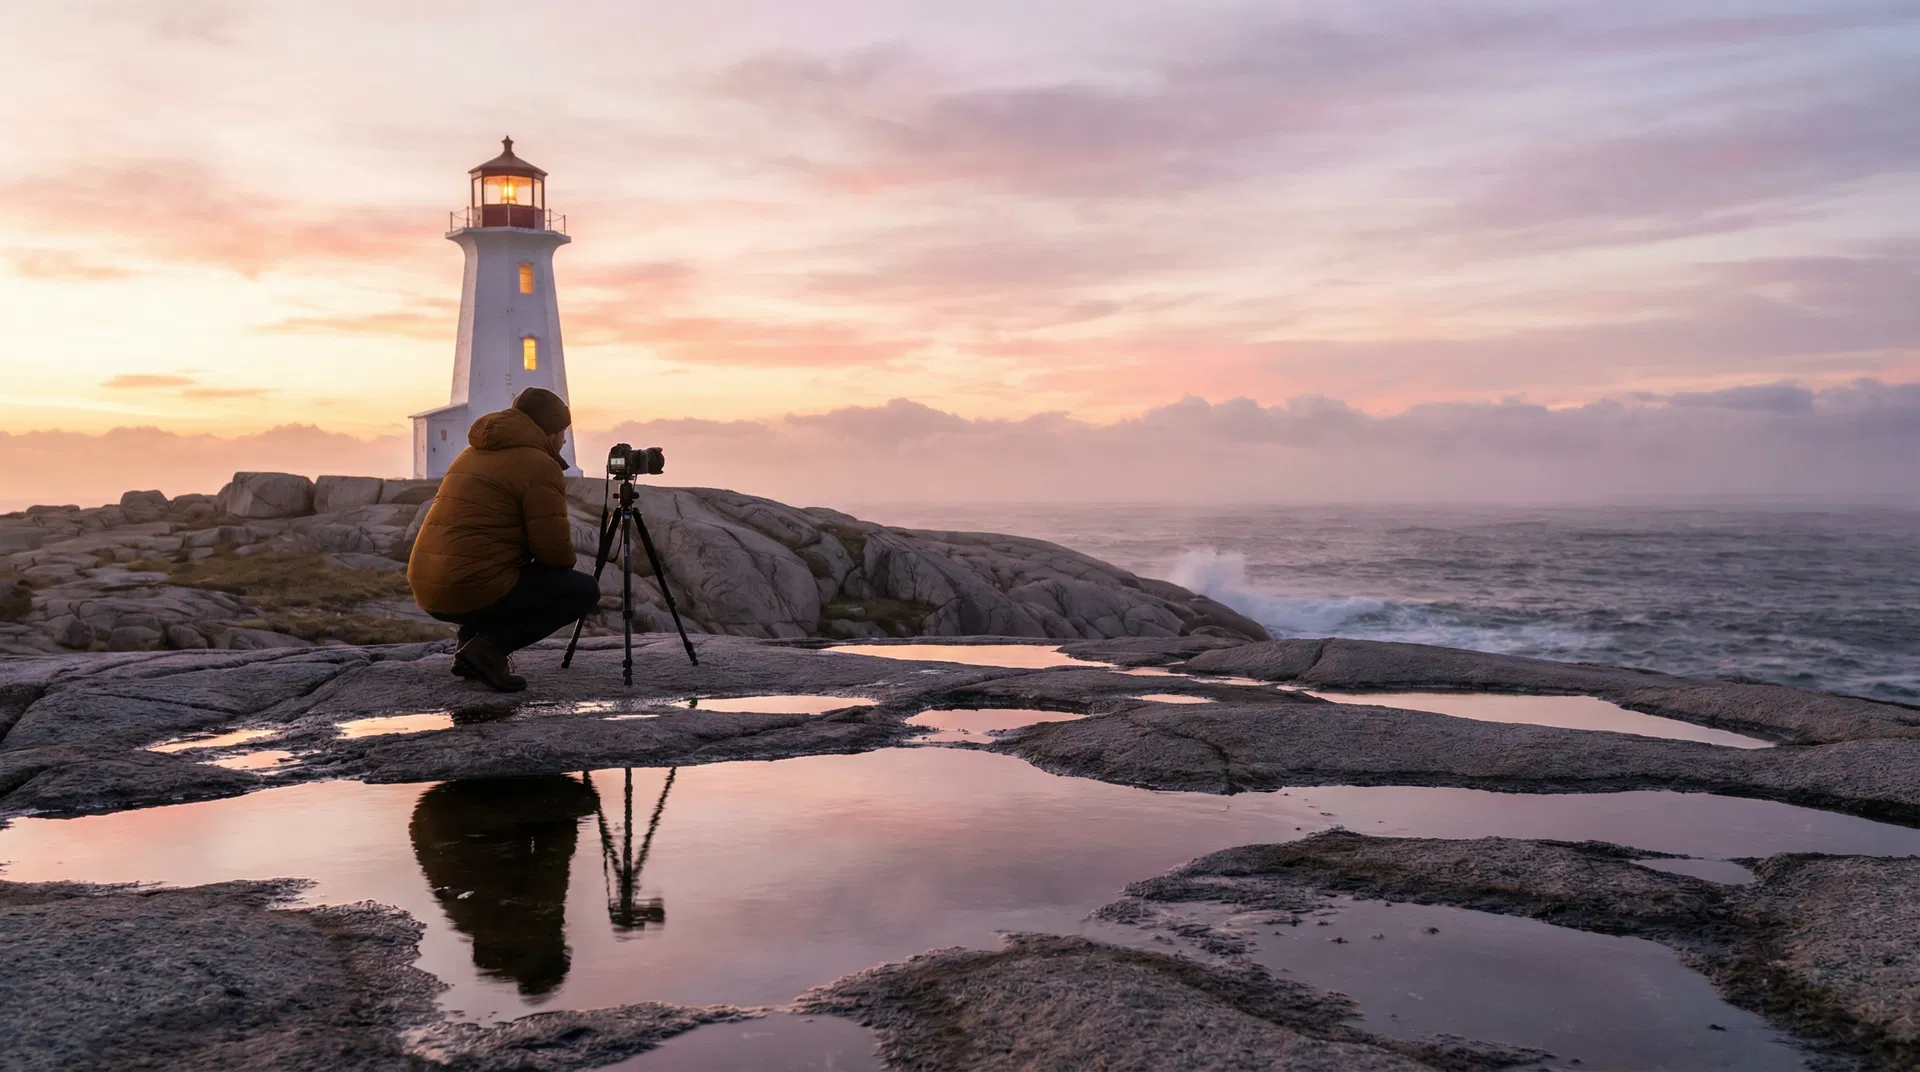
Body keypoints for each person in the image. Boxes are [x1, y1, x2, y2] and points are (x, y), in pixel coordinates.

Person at [407, 387, 600, 692]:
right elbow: (555, 554)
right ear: (552, 432)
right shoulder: (539, 465)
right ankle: (489, 649)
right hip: (468, 587)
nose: (565, 440)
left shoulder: (472, 452)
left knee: (487, 564)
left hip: (427, 585)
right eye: (564, 432)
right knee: (582, 591)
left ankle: (468, 647)